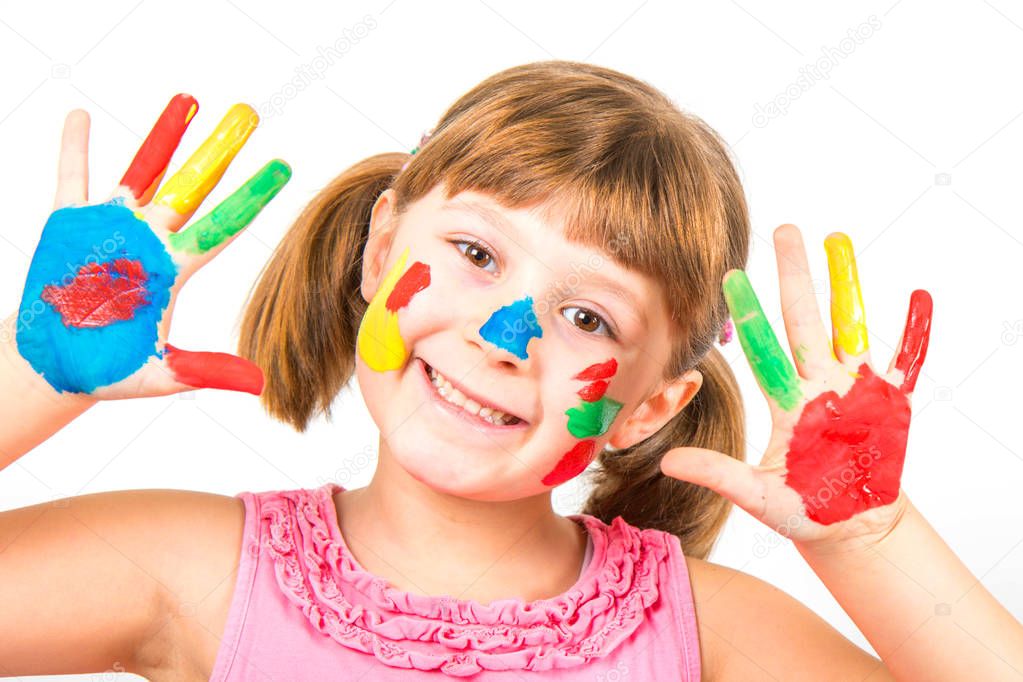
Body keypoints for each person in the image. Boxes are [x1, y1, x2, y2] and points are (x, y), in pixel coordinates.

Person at [1, 60, 1020, 680]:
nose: (507, 333)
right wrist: (32, 378)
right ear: (380, 249)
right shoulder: (197, 570)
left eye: (586, 314)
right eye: (478, 255)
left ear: (648, 405)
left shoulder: (702, 629)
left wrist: (870, 539)